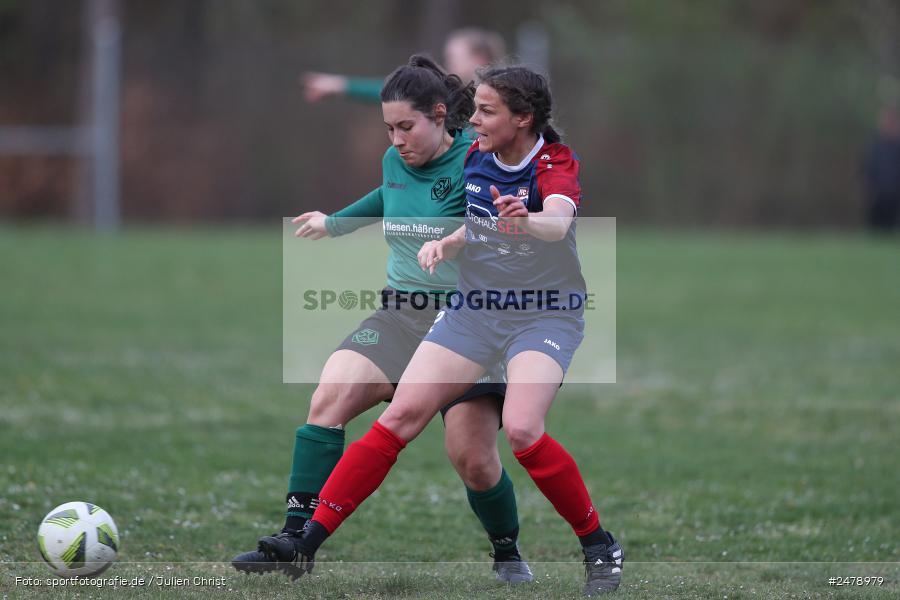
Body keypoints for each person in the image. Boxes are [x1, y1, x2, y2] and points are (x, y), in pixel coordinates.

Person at [264, 66, 625, 596]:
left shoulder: (553, 161)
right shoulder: (478, 157)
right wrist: (450, 242)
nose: (471, 119)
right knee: (400, 417)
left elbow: (557, 222)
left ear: (522, 118)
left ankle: (598, 544)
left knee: (523, 432)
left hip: (543, 313)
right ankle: (305, 542)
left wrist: (526, 219)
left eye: (485, 111)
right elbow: (475, 217)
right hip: (473, 310)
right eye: (473, 108)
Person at [231, 55, 533, 585]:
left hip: (467, 325)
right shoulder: (395, 160)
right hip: (401, 313)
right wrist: (335, 223)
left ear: (440, 115)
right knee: (329, 396)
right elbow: (386, 197)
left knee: (474, 460)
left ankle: (507, 551)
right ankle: (295, 538)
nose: (396, 139)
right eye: (389, 128)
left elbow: (505, 229)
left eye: (407, 127)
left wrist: (461, 239)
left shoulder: (477, 162)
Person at [302, 27, 506, 103]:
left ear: (479, 59)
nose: (446, 64)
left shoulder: (503, 98)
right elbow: (396, 91)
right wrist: (340, 85)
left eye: (452, 57)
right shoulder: (450, 93)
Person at [863, 105, 900, 232]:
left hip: (896, 197)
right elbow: (866, 168)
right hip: (878, 196)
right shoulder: (875, 146)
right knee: (876, 231)